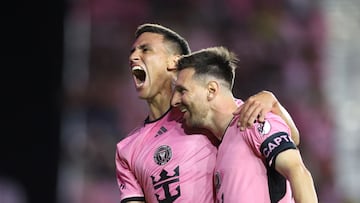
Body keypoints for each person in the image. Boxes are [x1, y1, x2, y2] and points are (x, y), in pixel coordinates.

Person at [115, 23, 300, 203]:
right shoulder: (128, 149)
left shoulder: (203, 113)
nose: (133, 57)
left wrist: (272, 103)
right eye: (132, 51)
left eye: (145, 50)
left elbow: (288, 138)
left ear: (174, 61)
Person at [171, 46, 318, 202]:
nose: (175, 100)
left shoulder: (252, 118)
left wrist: (275, 105)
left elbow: (298, 172)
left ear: (211, 90)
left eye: (182, 91)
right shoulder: (222, 143)